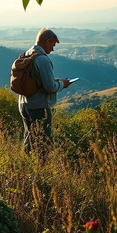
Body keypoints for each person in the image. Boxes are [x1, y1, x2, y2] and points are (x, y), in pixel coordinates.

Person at [18, 28, 71, 156]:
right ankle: (41, 169)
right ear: (47, 42)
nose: (52, 49)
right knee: (43, 141)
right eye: (52, 45)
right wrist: (62, 84)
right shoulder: (42, 60)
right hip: (38, 105)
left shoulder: (27, 54)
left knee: (29, 137)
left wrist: (53, 81)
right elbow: (50, 87)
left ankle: (28, 164)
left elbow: (36, 81)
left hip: (23, 103)